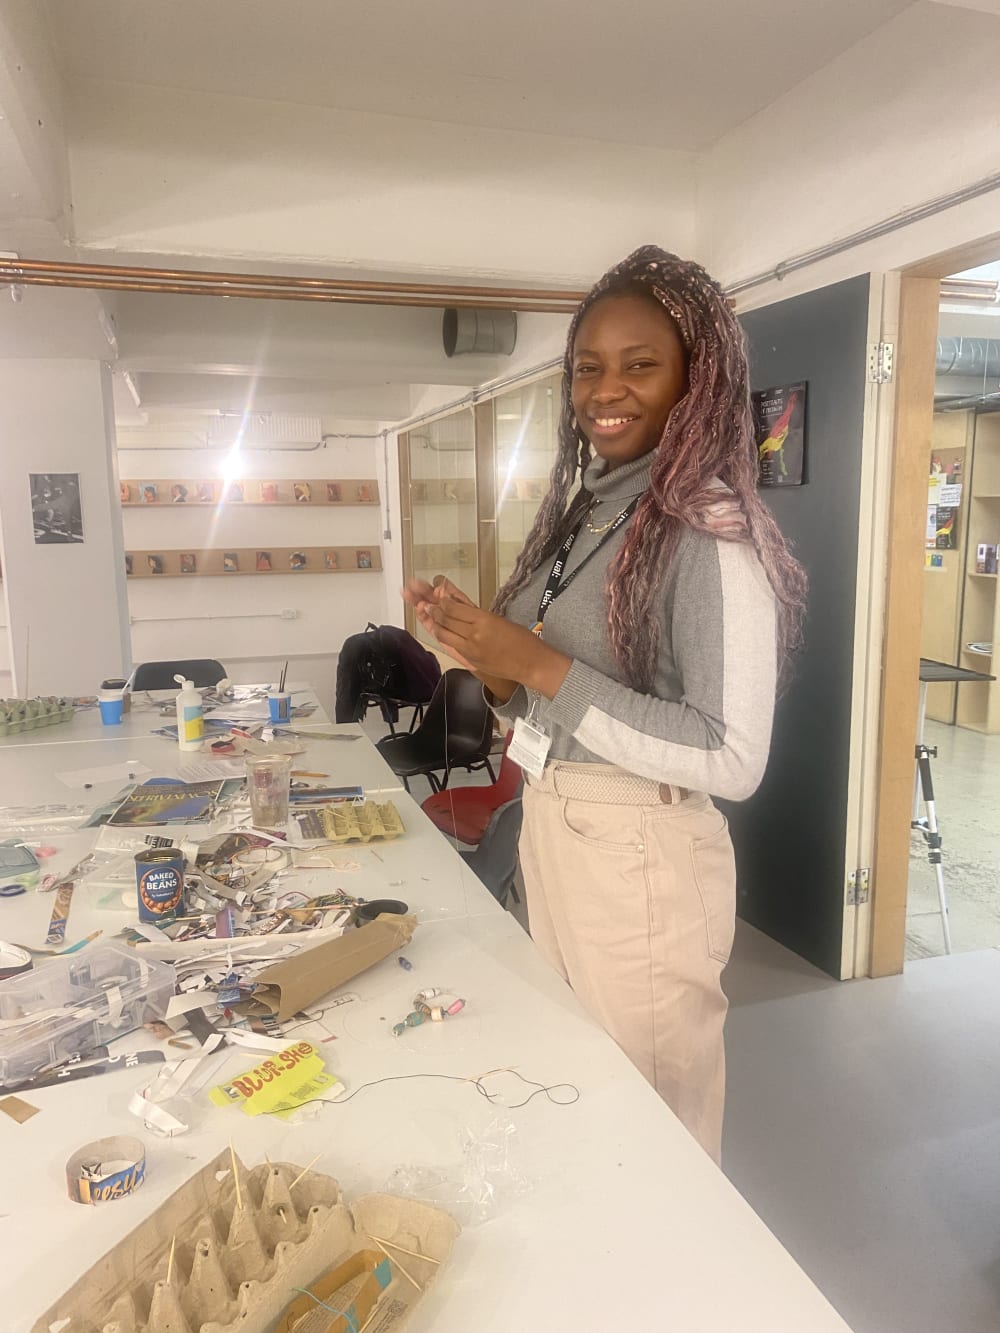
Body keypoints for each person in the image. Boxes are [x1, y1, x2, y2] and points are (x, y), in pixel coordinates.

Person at [404, 245, 806, 1161]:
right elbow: (550, 694)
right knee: (586, 1093)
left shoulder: (707, 531)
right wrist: (478, 649)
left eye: (639, 364)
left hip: (641, 854)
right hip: (559, 825)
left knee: (655, 1129)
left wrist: (539, 667)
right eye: (588, 366)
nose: (605, 388)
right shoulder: (593, 508)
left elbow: (732, 755)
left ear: (694, 379)